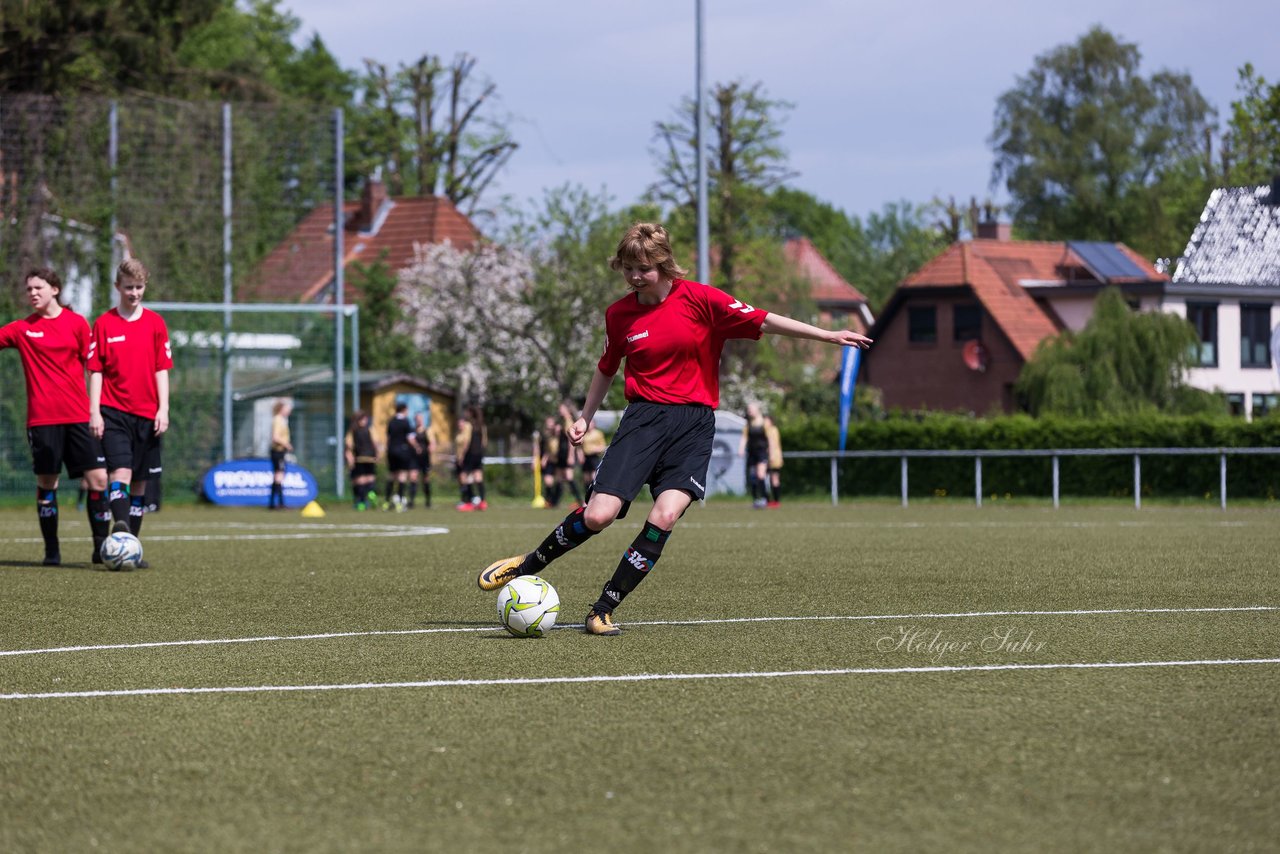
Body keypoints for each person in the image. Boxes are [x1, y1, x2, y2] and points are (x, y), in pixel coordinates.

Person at [478, 222, 872, 634]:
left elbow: (765, 320)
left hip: (694, 426)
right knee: (599, 515)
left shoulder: (701, 299)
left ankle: (603, 609)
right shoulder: (619, 314)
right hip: (643, 421)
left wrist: (828, 335)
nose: (634, 277)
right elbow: (606, 369)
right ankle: (526, 565)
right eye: (627, 268)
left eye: (643, 268)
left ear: (664, 264)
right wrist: (584, 416)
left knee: (664, 515)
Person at [0, 268, 111, 566]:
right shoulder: (22, 329)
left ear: (55, 289)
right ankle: (52, 551)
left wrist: (95, 410)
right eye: (29, 289)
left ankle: (102, 549)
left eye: (38, 287)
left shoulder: (77, 324)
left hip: (78, 417)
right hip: (42, 420)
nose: (33, 293)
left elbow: (94, 368)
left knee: (99, 480)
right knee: (48, 483)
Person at [88, 258, 171, 567]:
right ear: (117, 287)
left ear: (144, 286)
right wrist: (94, 411)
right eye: (128, 288)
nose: (134, 293)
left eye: (139, 287)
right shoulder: (104, 324)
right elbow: (95, 370)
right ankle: (120, 528)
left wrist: (163, 408)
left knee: (140, 484)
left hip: (148, 416)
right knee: (119, 473)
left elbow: (162, 369)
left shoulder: (155, 324)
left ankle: (131, 547)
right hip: (113, 412)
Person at [383, 401, 420, 511]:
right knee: (402, 476)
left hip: (391, 451)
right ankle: (399, 502)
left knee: (391, 476)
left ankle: (386, 502)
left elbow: (388, 438)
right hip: (402, 451)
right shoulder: (405, 422)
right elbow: (410, 438)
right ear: (404, 410)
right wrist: (417, 447)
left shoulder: (391, 422)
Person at [454, 405, 488, 511]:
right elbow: (484, 442)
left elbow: (467, 441)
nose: (466, 414)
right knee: (478, 477)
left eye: (467, 412)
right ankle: (482, 502)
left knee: (465, 477)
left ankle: (468, 502)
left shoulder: (468, 425)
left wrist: (462, 455)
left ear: (471, 413)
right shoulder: (482, 425)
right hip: (479, 453)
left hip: (470, 454)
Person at [345, 410, 379, 510]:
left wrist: (349, 459)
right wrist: (377, 455)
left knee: (360, 481)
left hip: (359, 458)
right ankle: (371, 493)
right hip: (370, 458)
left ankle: (361, 502)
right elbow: (376, 443)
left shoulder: (353, 432)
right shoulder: (370, 429)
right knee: (370, 478)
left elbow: (348, 446)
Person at [739, 401, 770, 509]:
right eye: (748, 410)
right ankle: (756, 499)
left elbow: (770, 438)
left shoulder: (764, 422)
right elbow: (744, 437)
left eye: (751, 409)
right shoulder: (748, 424)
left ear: (757, 410)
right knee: (753, 477)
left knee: (761, 475)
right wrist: (741, 449)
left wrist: (771, 451)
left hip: (762, 453)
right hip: (752, 453)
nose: (749, 411)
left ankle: (765, 498)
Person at [555, 399, 584, 508]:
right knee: (559, 477)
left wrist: (570, 455)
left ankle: (580, 501)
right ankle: (554, 501)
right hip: (561, 453)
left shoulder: (568, 421)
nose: (559, 410)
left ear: (567, 409)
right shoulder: (562, 421)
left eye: (561, 408)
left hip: (566, 453)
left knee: (568, 477)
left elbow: (569, 440)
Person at [267, 399, 293, 509]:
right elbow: (275, 437)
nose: (289, 411)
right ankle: (275, 503)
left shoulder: (282, 420)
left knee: (279, 476)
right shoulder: (278, 420)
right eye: (287, 408)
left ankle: (277, 503)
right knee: (278, 476)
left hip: (280, 451)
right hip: (278, 451)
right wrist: (287, 444)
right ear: (281, 409)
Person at [579, 417, 607, 494]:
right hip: (586, 458)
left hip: (594, 457)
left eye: (591, 423)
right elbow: (580, 447)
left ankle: (594, 495)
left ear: (594, 424)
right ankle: (586, 496)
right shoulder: (584, 434)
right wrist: (580, 455)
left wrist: (596, 449)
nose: (589, 425)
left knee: (593, 477)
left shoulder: (598, 433)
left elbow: (603, 446)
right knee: (586, 478)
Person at [413, 411, 435, 508]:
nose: (419, 421)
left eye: (420, 419)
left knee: (425, 479)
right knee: (413, 477)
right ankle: (411, 501)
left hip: (425, 458)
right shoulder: (412, 431)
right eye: (417, 419)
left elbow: (432, 443)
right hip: (414, 459)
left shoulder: (427, 430)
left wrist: (431, 448)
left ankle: (428, 501)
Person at [764, 414, 783, 508]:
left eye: (766, 421)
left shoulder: (772, 430)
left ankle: (775, 501)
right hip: (773, 458)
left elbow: (772, 444)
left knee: (774, 479)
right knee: (769, 479)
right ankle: (771, 501)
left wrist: (770, 455)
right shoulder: (771, 430)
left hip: (773, 458)